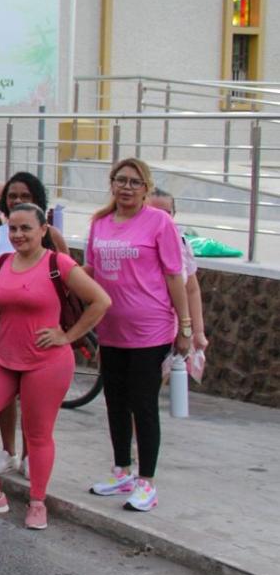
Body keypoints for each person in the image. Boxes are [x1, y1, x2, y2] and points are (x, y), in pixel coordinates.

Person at [0, 204, 111, 530]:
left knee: (37, 434)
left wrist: (67, 335)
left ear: (43, 230)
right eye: (13, 229)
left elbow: (101, 300)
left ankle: (38, 502)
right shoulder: (2, 262)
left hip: (47, 363)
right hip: (4, 357)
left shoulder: (58, 264)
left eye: (26, 228)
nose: (18, 235)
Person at [85, 157, 191, 513]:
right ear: (111, 184)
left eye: (134, 182)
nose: (126, 187)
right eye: (121, 180)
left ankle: (147, 482)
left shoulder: (159, 222)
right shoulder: (99, 223)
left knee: (143, 405)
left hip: (151, 329)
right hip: (112, 329)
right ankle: (122, 471)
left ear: (146, 188)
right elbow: (90, 272)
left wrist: (186, 327)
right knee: (114, 400)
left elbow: (176, 276)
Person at [0, 171, 72, 474]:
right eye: (12, 196)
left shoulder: (50, 235)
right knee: (1, 398)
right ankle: (8, 450)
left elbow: (69, 283)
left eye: (24, 196)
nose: (17, 201)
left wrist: (65, 332)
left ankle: (32, 454)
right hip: (2, 328)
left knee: (34, 402)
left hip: (39, 331)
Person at [149, 189, 209, 352]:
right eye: (154, 212)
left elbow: (192, 289)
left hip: (173, 330)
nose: (161, 218)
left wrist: (197, 332)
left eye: (167, 213)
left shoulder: (181, 243)